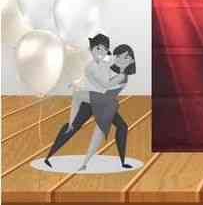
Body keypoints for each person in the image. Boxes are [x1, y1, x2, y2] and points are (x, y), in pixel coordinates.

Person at [44, 36, 136, 170]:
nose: (121, 59)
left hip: (104, 103)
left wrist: (84, 81)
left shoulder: (121, 74)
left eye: (126, 57)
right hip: (100, 102)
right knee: (86, 128)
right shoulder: (107, 65)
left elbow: (104, 84)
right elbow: (99, 78)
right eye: (119, 56)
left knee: (98, 130)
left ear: (132, 60)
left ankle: (85, 163)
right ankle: (53, 156)